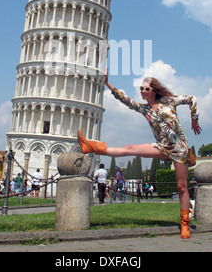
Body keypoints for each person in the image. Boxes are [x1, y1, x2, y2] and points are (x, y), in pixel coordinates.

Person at [77, 70, 202, 239]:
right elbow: (126, 100)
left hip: (179, 148)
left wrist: (194, 119)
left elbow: (191, 99)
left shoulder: (168, 101)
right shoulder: (144, 109)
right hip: (162, 147)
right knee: (130, 148)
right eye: (141, 88)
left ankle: (185, 224)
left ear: (154, 90)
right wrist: (108, 84)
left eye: (146, 89)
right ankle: (92, 147)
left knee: (181, 188)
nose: (143, 91)